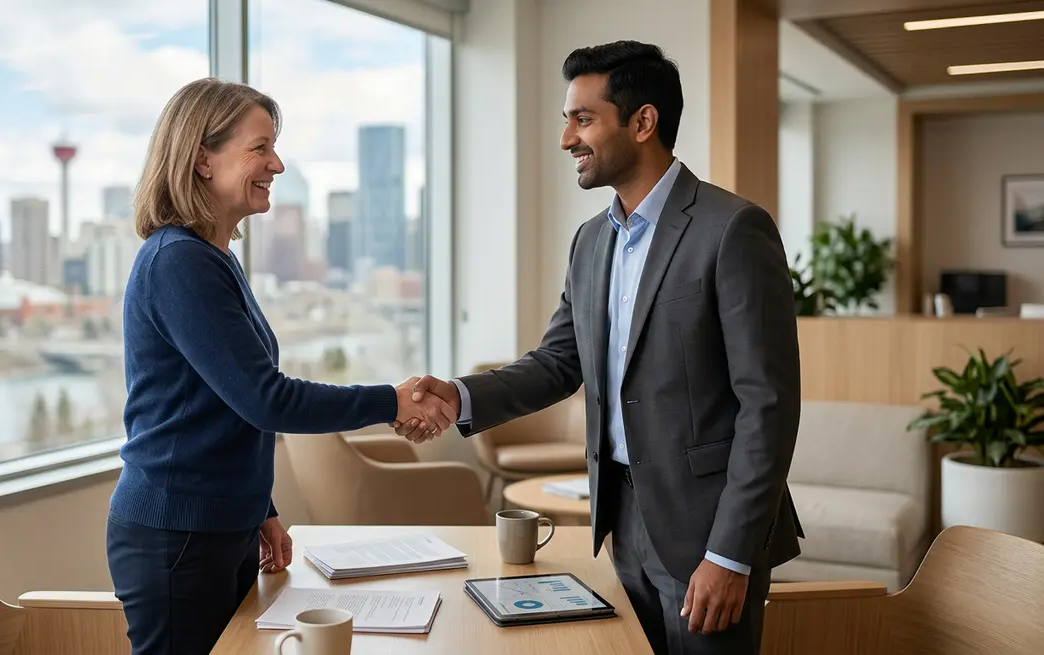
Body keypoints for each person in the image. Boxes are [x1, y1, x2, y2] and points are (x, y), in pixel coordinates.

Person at [395, 41, 803, 654]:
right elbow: (560, 362)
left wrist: (730, 554)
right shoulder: (591, 241)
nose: (566, 139)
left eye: (582, 119)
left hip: (706, 528)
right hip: (620, 514)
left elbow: (768, 405)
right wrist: (458, 395)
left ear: (643, 122)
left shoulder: (733, 229)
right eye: (567, 119)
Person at [105, 77, 457, 655]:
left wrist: (260, 509)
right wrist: (391, 401)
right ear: (201, 159)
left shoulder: (215, 259)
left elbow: (227, 403)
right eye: (260, 147)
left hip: (218, 525)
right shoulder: (178, 263)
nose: (278, 163)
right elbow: (266, 398)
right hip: (177, 536)